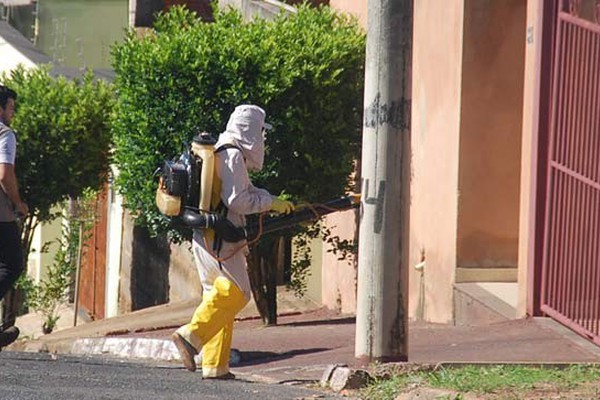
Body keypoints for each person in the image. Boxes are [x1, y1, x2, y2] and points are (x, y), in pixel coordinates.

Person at [171, 104, 294, 379]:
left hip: (205, 233)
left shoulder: (221, 148)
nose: (262, 137)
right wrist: (269, 203)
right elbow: (237, 200)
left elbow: (241, 190)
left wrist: (269, 199)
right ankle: (190, 336)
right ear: (250, 128)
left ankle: (215, 366)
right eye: (261, 131)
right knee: (237, 293)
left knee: (216, 295)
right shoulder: (233, 154)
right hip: (221, 238)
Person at [0, 85, 28, 347]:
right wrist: (17, 202)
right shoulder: (5, 134)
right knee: (12, 265)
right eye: (10, 108)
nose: (13, 113)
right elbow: (5, 173)